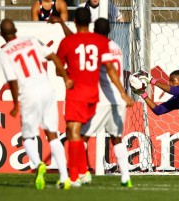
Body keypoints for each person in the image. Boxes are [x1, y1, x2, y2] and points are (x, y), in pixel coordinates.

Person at [48, 16, 133, 187]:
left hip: (101, 98)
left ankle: (80, 174)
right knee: (117, 138)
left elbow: (78, 44)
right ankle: (126, 177)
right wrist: (124, 94)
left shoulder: (96, 45)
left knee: (79, 137)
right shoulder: (115, 47)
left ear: (94, 31)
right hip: (117, 99)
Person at [0, 19, 73, 190]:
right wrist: (66, 77)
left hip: (28, 94)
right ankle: (64, 177)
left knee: (28, 137)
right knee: (52, 134)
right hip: (47, 89)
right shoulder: (31, 40)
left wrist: (16, 104)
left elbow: (13, 81)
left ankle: (38, 163)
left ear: (1, 35)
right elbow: (53, 56)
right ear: (16, 31)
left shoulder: (4, 53)